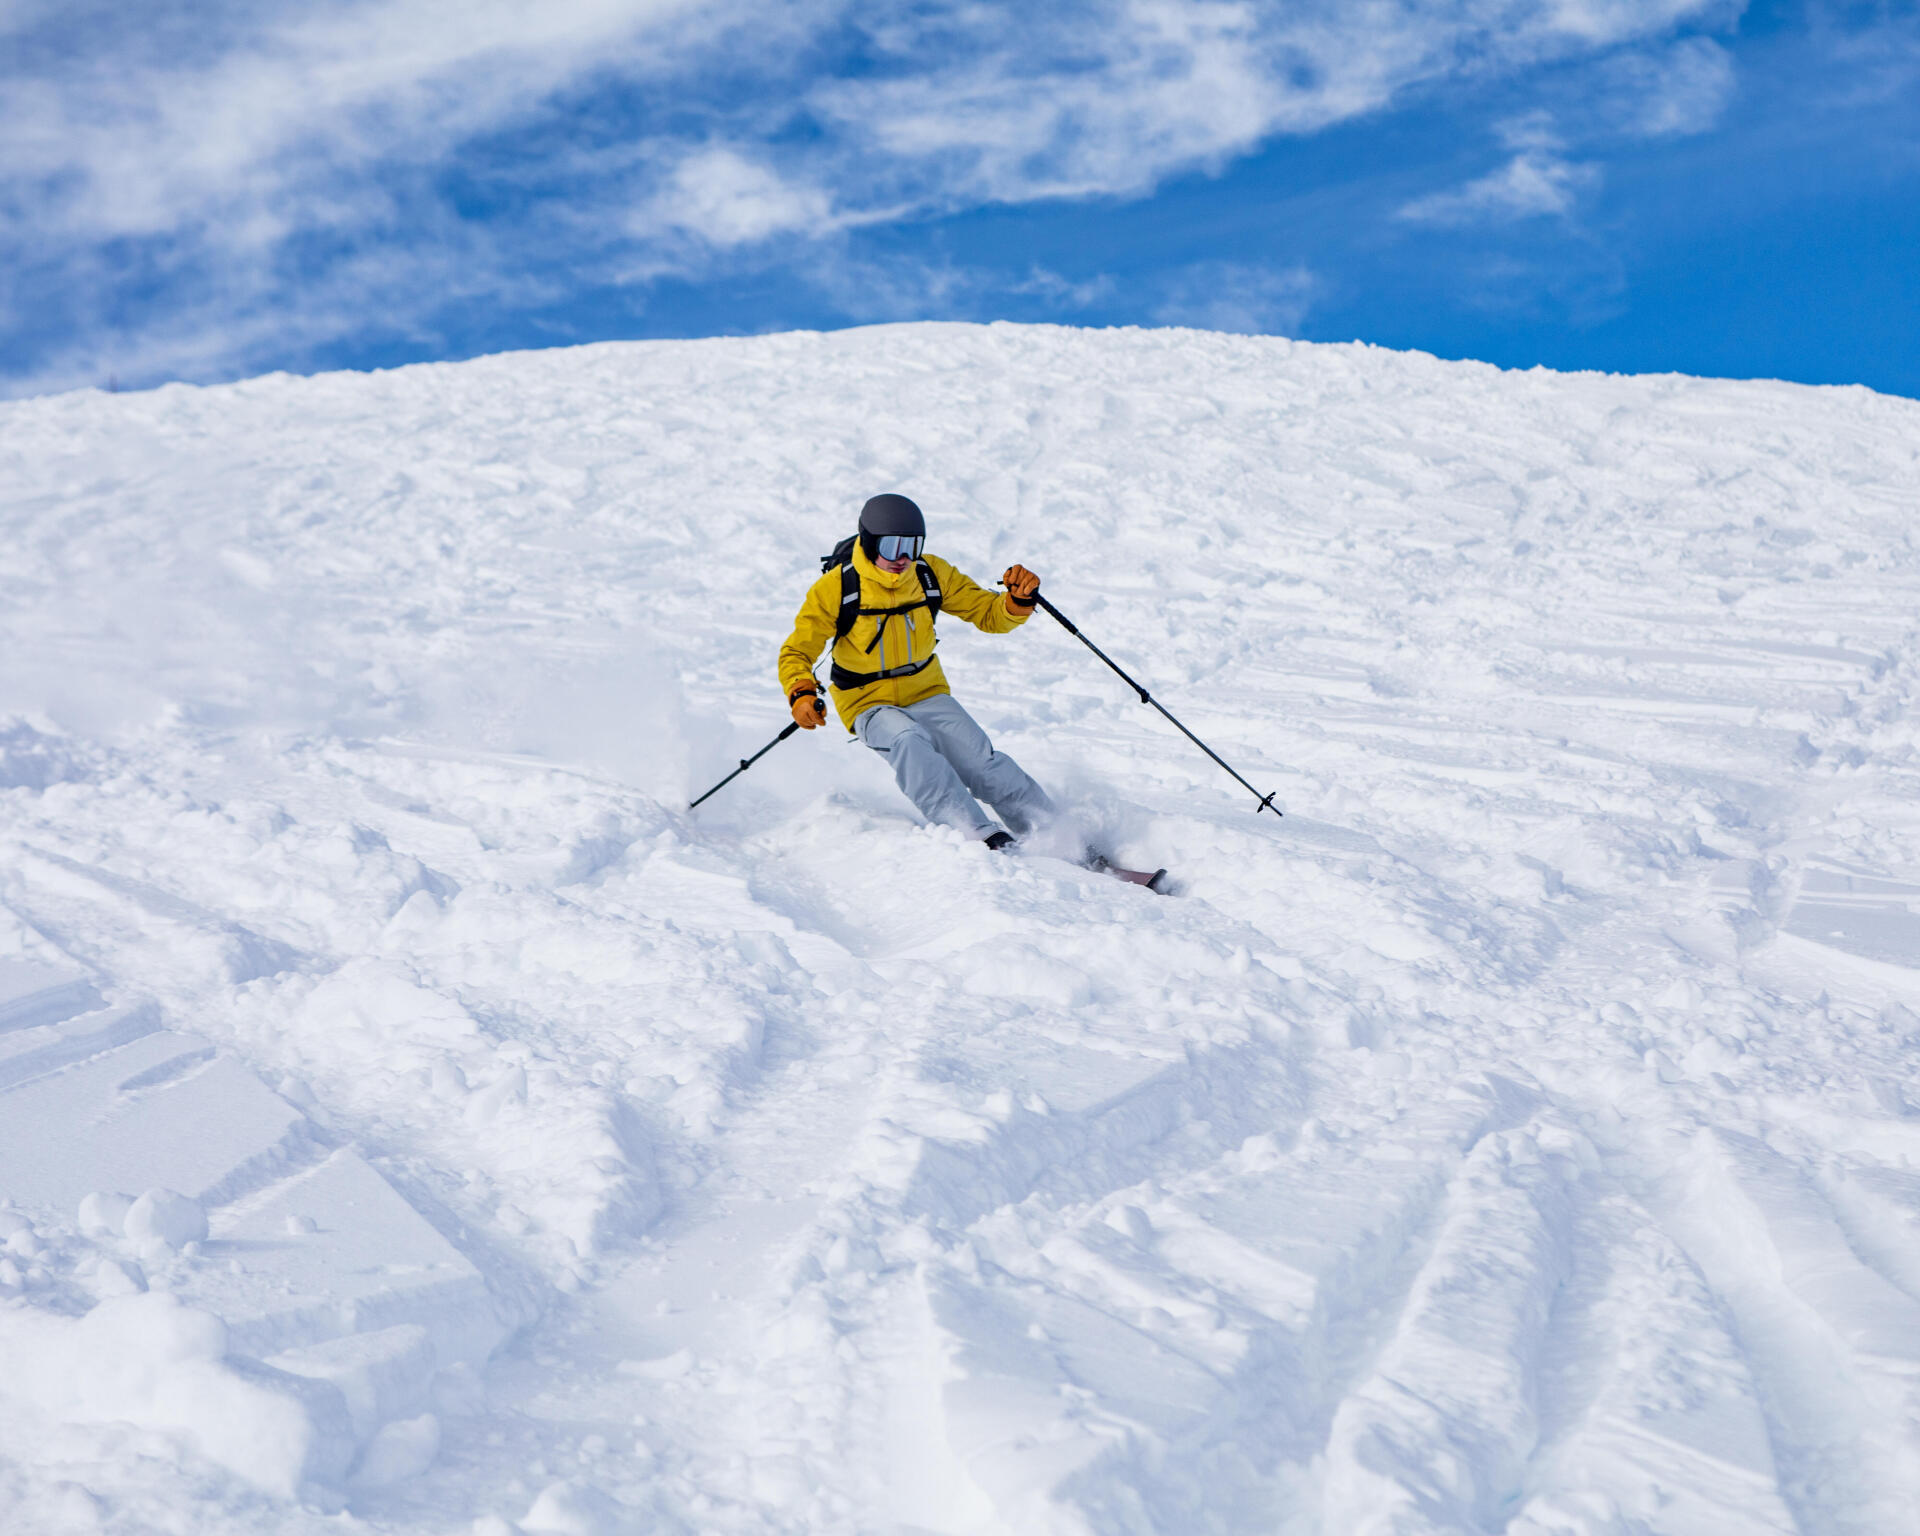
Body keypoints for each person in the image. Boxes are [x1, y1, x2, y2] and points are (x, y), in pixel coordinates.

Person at [778, 493, 1054, 849]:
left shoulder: (929, 573)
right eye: (892, 547)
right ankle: (973, 830)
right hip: (867, 701)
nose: (903, 558)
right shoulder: (837, 588)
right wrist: (801, 690)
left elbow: (987, 613)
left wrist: (1017, 602)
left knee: (982, 761)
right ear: (869, 541)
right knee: (908, 741)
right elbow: (798, 649)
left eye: (912, 546)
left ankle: (1048, 827)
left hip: (926, 692)